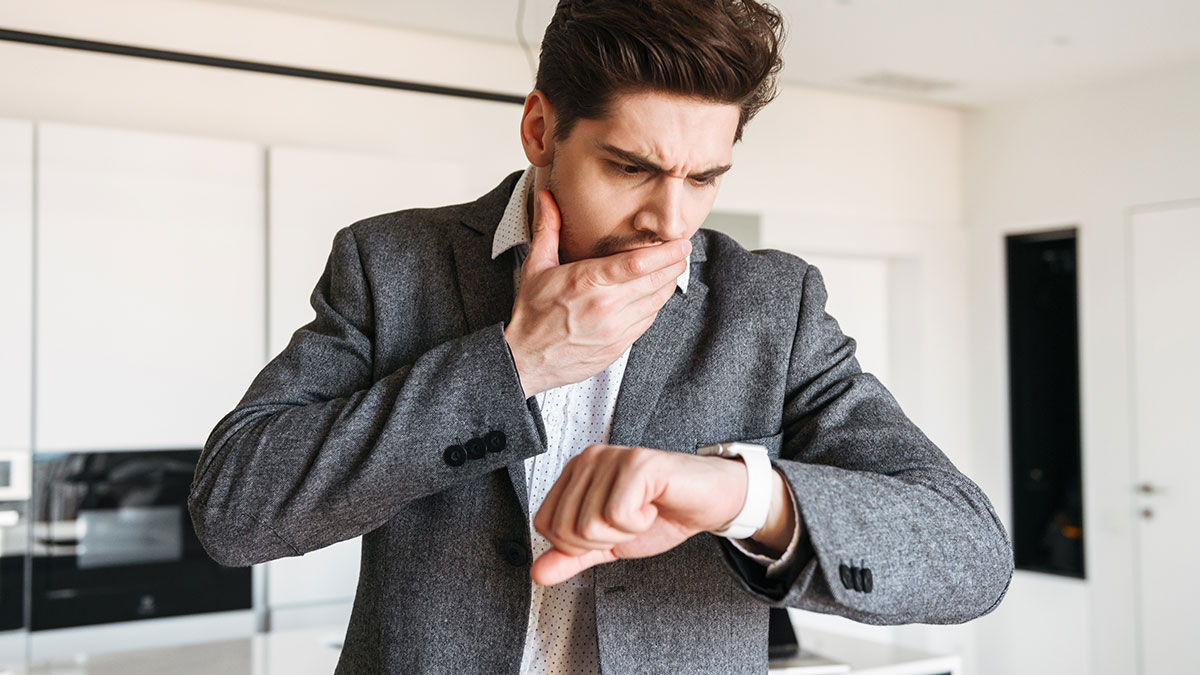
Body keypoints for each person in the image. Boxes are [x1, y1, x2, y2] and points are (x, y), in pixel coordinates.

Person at [187, 1, 1015, 673]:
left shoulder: (772, 306)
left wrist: (739, 494)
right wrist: (510, 365)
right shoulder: (392, 264)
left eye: (704, 178)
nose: (670, 219)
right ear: (541, 130)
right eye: (632, 167)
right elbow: (232, 509)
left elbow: (970, 554)